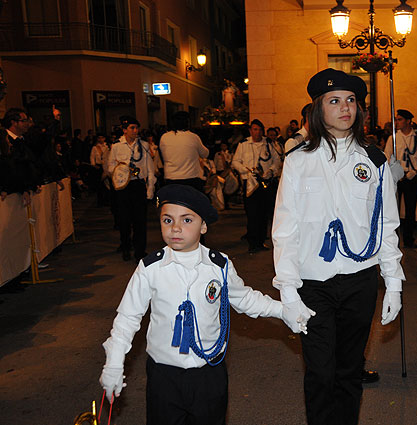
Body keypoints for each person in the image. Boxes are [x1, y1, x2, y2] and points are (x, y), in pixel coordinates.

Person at [99, 184, 302, 425]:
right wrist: (113, 362)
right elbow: (128, 318)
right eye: (167, 220)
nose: (175, 228)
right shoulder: (149, 268)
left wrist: (283, 310)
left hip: (209, 372)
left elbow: (245, 299)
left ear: (203, 226)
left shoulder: (219, 266)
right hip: (165, 374)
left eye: (187, 220)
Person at [272, 68, 404, 425]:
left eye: (351, 101)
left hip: (360, 279)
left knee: (349, 370)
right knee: (320, 372)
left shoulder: (375, 160)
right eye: (334, 101)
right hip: (313, 282)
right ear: (318, 109)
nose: (345, 108)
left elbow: (387, 225)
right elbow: (284, 229)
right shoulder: (298, 160)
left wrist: (393, 282)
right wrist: (287, 290)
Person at [107, 116, 156, 262]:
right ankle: (126, 247)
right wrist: (121, 169)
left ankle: (140, 251)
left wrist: (150, 187)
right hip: (123, 187)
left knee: (140, 220)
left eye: (136, 128)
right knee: (124, 219)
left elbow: (150, 168)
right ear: (124, 130)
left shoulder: (144, 145)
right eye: (132, 128)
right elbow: (109, 167)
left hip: (138, 185)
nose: (135, 131)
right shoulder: (116, 146)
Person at [232, 119, 281, 253]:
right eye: (254, 129)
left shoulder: (268, 144)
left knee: (264, 214)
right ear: (250, 130)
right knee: (252, 214)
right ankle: (253, 243)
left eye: (259, 129)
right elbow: (235, 161)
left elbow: (277, 161)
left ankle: (260, 241)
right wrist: (245, 170)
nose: (257, 132)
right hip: (250, 183)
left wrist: (270, 171)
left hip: (265, 183)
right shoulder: (244, 144)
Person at [384, 109, 417, 248]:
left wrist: (415, 171)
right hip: (398, 176)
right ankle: (393, 239)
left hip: (411, 176)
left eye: (400, 119)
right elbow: (387, 155)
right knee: (393, 208)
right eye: (396, 119)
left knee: (410, 209)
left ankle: (409, 238)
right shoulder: (393, 138)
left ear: (408, 121)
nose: (397, 122)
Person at [159, 111, 211, 192]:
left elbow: (163, 154)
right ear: (187, 123)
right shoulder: (193, 137)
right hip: (190, 178)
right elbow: (205, 154)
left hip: (170, 178)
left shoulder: (164, 137)